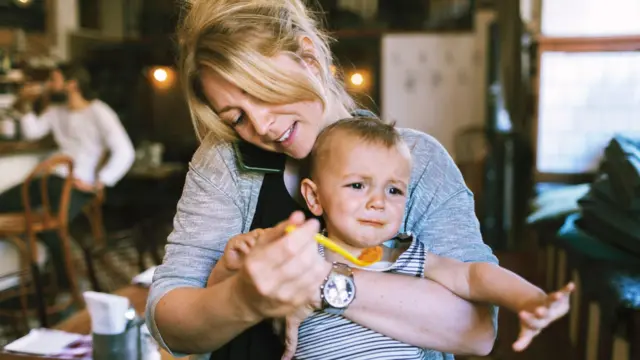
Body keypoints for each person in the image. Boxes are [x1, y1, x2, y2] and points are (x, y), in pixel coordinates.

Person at [147, 1, 499, 359]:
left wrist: (321, 282)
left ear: (309, 57)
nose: (261, 126)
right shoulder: (224, 161)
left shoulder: (418, 160)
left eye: (263, 93)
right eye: (237, 117)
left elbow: (478, 330)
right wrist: (243, 298)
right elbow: (168, 320)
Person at [209, 118, 575, 359]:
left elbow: (472, 276)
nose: (378, 201)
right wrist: (231, 265)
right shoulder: (300, 252)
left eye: (394, 191)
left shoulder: (405, 254)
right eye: (357, 185)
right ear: (314, 197)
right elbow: (227, 301)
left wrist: (530, 299)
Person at [0, 63, 135, 286]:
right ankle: (45, 279)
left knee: (52, 225)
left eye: (54, 80)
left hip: (80, 184)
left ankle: (63, 287)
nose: (49, 85)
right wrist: (24, 102)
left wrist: (100, 182)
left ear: (72, 84)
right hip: (50, 179)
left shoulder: (99, 111)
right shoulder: (56, 112)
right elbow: (32, 131)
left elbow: (125, 151)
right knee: (6, 204)